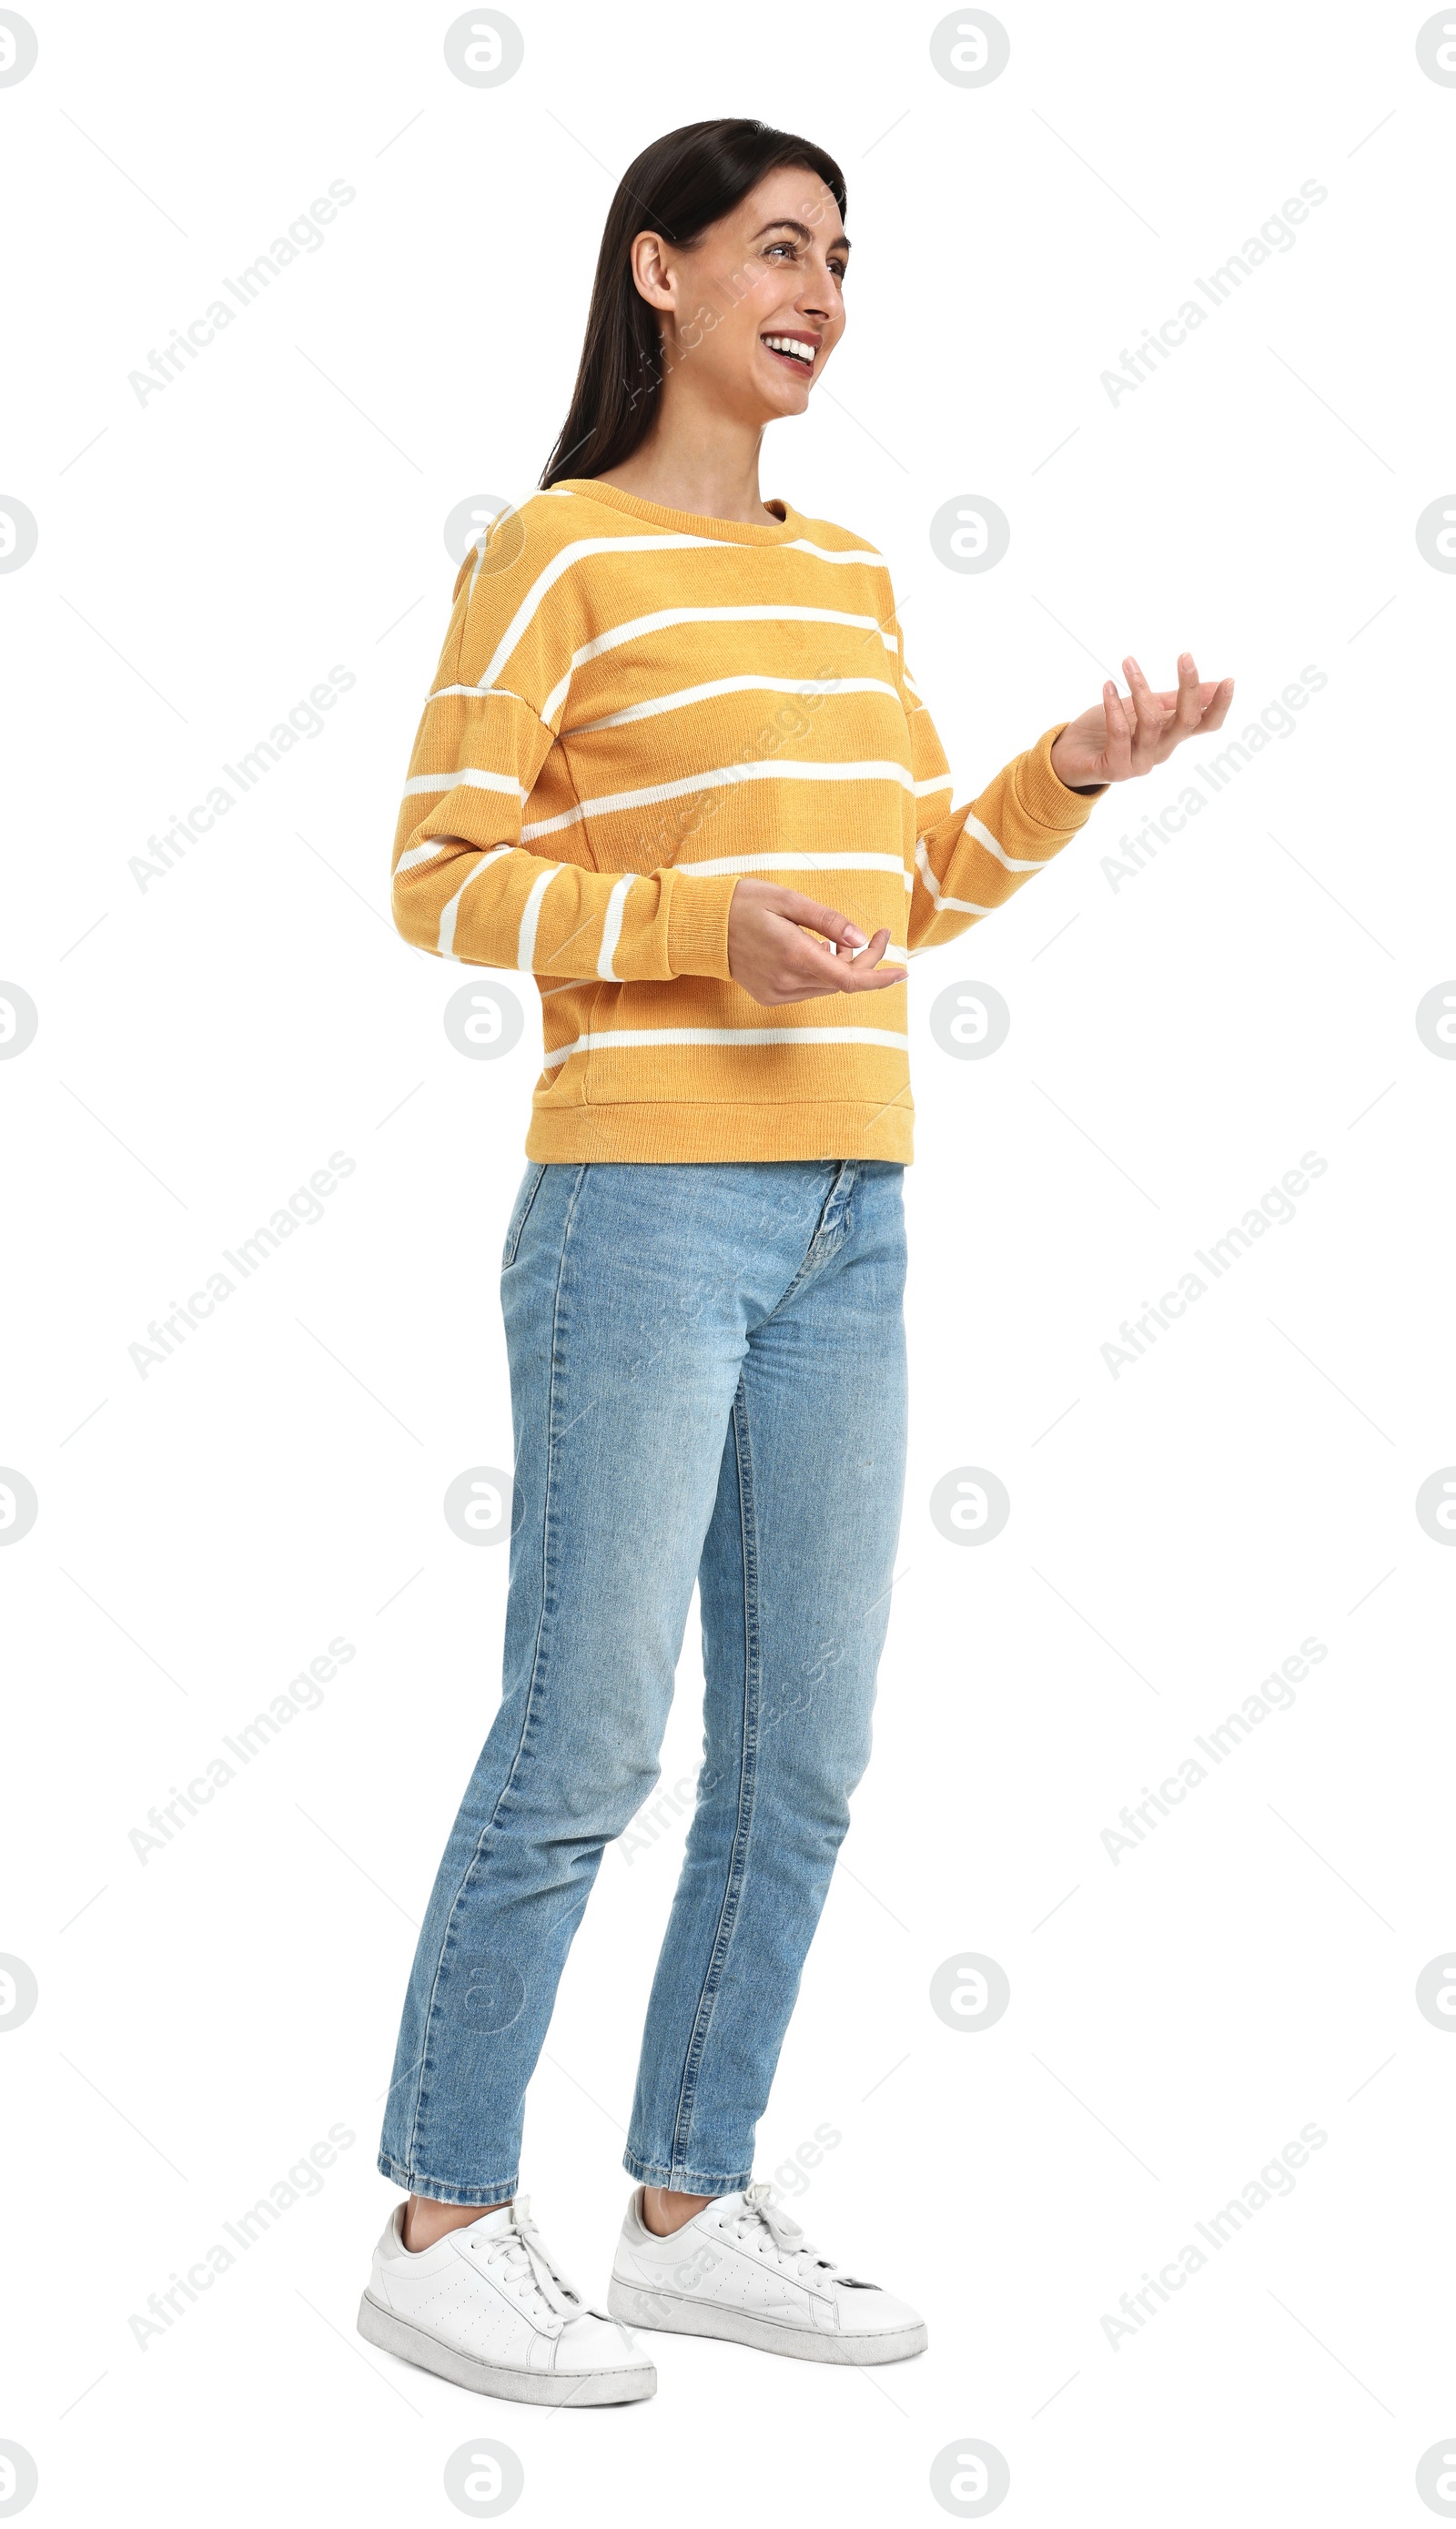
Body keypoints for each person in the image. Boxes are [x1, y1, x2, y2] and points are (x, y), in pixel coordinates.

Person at [357, 115, 1233, 2408]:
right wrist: (677, 927)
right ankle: (444, 2216)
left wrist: (1067, 770)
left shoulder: (843, 578)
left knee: (805, 1753)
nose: (819, 288)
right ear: (654, 274)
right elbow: (436, 876)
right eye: (774, 247)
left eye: (841, 255)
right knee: (584, 1734)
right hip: (640, 1207)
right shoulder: (553, 556)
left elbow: (907, 889)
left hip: (858, 1203)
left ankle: (687, 2196)